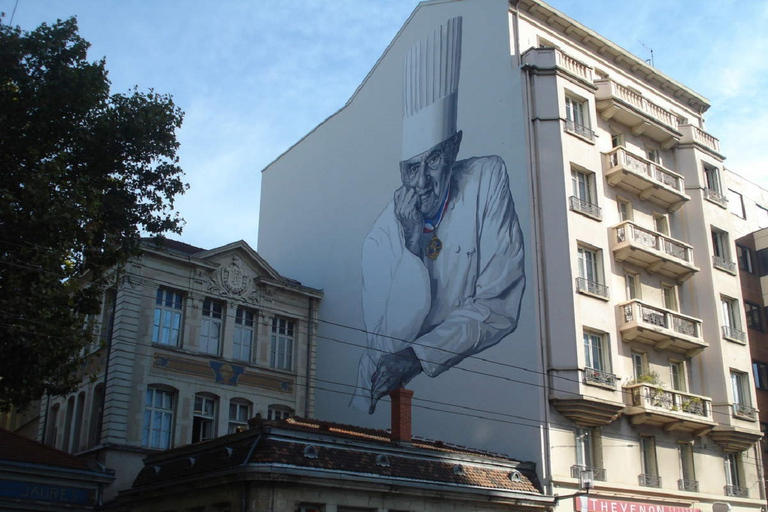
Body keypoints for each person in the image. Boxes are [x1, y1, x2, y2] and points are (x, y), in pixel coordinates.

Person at [351, 16, 526, 413]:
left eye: (435, 161)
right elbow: (387, 343)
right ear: (399, 170)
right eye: (411, 168)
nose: (424, 181)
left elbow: (499, 305)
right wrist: (413, 251)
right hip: (377, 396)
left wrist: (418, 357)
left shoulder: (487, 177)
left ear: (455, 148)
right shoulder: (380, 237)